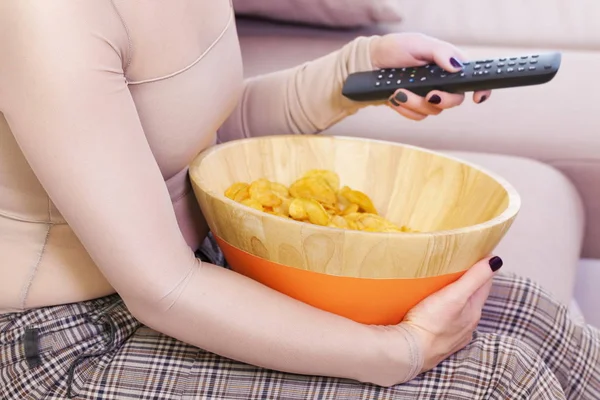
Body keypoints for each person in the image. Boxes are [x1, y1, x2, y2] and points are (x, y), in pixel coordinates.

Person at [0, 1, 598, 399]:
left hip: (201, 272)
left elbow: (188, 132)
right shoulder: (42, 16)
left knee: (529, 314)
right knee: (497, 378)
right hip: (63, 345)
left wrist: (358, 69)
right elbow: (162, 290)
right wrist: (398, 351)